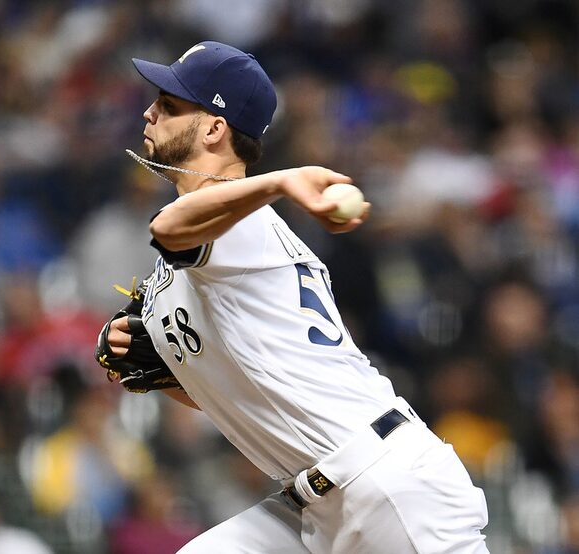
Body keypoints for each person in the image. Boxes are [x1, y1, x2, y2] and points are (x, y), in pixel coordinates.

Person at [103, 41, 489, 553]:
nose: (150, 111)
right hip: (310, 505)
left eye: (171, 105)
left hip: (387, 487)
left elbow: (170, 228)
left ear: (215, 128)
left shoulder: (242, 224)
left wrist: (281, 180)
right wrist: (157, 367)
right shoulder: (217, 237)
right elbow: (238, 394)